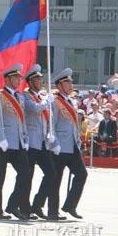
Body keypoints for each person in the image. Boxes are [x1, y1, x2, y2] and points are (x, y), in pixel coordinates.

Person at [19, 64, 61, 220]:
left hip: (42, 142)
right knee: (27, 177)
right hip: (30, 143)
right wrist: (46, 102)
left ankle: (37, 205)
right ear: (30, 81)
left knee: (51, 174)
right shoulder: (25, 96)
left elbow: (45, 119)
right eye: (37, 79)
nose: (41, 81)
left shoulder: (41, 97)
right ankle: (24, 208)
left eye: (41, 78)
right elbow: (35, 109)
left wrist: (51, 137)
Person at [0, 63, 30, 220]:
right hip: (2, 143)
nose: (19, 80)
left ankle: (12, 205)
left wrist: (25, 138)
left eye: (19, 77)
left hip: (17, 142)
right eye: (15, 77)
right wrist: (2, 138)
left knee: (25, 173)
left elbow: (22, 120)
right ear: (7, 79)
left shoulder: (19, 97)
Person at [50, 68, 87, 219]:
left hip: (72, 145)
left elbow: (74, 124)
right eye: (67, 82)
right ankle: (52, 212)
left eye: (71, 81)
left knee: (82, 174)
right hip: (59, 146)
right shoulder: (54, 101)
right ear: (60, 85)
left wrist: (77, 140)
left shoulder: (71, 101)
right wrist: (54, 143)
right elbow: (51, 124)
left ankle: (70, 205)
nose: (71, 84)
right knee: (56, 179)